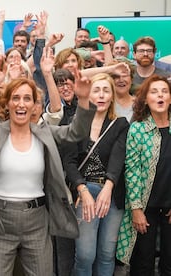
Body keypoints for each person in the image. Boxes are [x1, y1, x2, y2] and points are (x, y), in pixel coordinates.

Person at [0, 56, 96, 276]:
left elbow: (76, 132)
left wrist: (84, 100)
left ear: (34, 105)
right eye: (16, 98)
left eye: (27, 99)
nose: (21, 103)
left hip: (37, 220)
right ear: (8, 102)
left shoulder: (45, 133)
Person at [63, 73, 129, 276]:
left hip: (112, 192)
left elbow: (118, 159)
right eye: (96, 90)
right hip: (85, 190)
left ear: (112, 96)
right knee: (85, 255)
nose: (101, 95)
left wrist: (108, 188)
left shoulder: (120, 124)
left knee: (107, 254)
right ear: (88, 94)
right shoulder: (76, 122)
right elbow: (69, 161)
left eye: (106, 90)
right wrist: (82, 190)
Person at [116, 75, 171, 275]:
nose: (160, 96)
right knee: (143, 263)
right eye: (154, 92)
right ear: (146, 99)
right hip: (145, 207)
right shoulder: (138, 129)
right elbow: (132, 171)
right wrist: (136, 209)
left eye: (164, 91)